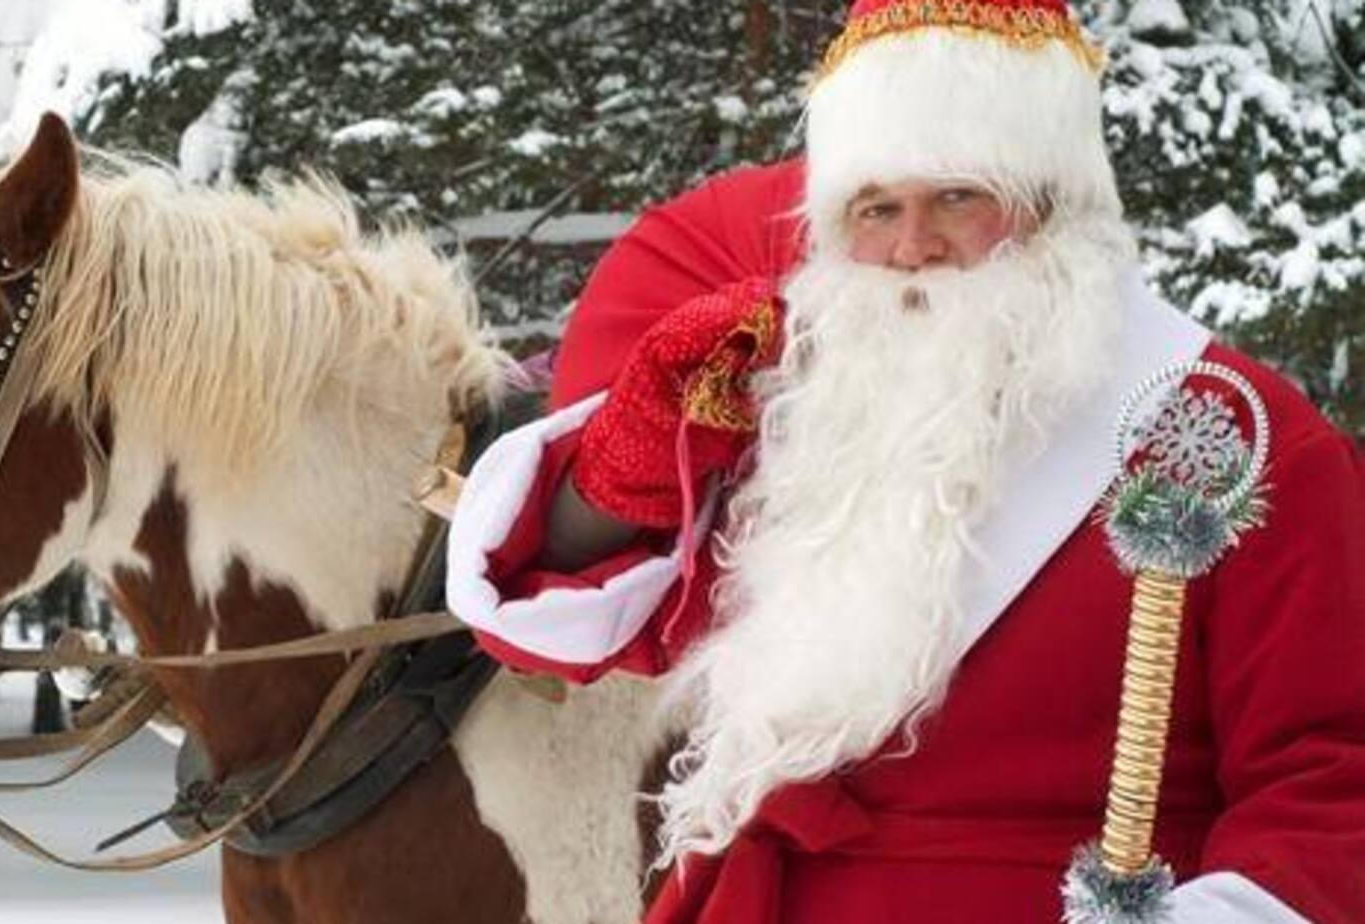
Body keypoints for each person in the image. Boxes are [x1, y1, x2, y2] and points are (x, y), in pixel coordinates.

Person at [443, 1, 1365, 921]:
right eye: (876, 209)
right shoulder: (814, 415)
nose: (911, 247)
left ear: (1051, 199)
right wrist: (627, 466)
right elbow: (560, 631)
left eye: (957, 197)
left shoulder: (1229, 435)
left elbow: (1331, 787)